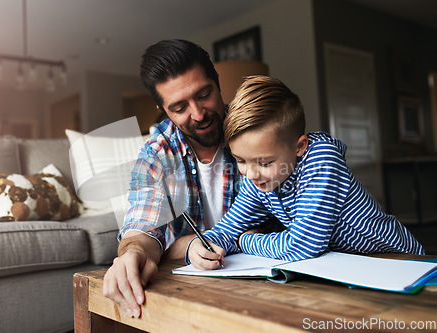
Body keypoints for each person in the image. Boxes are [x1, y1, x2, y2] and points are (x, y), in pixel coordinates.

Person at [188, 75, 425, 270]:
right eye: (240, 160)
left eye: (265, 162)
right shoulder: (258, 179)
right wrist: (203, 246)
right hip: (350, 267)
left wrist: (245, 240)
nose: (250, 174)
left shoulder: (321, 158)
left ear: (299, 147)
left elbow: (302, 246)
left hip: (398, 260)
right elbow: (228, 228)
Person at [102, 39, 248, 318]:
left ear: (217, 83)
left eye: (204, 94)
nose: (198, 114)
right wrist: (131, 254)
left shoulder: (255, 129)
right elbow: (143, 230)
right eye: (180, 108)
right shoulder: (156, 153)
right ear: (163, 110)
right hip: (195, 291)